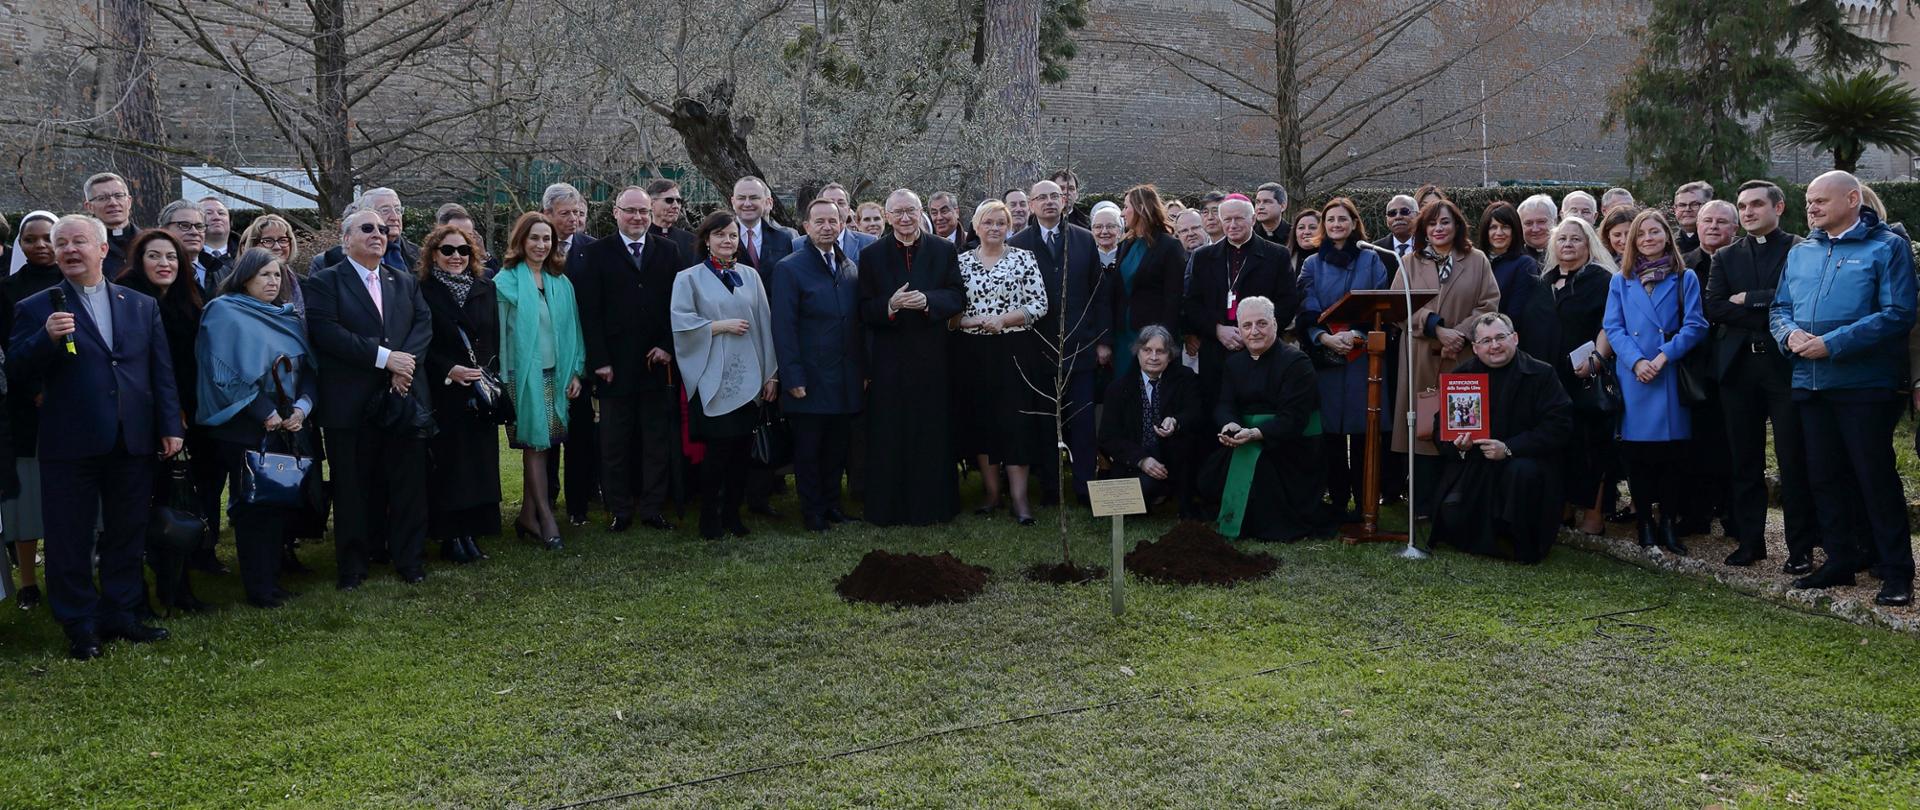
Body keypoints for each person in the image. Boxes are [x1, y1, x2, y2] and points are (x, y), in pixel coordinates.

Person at [9, 214, 183, 661]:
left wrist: (170, 426)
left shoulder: (139, 303)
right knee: (69, 537)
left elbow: (160, 370)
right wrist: (46, 338)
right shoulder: (36, 306)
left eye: (79, 241)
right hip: (69, 441)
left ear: (103, 250)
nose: (69, 249)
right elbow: (18, 368)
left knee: (127, 531)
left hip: (132, 437)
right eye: (61, 243)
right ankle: (80, 624)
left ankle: (122, 613)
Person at [1770, 170, 1915, 606]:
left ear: (1853, 199)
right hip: (1809, 383)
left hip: (1863, 385)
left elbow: (1898, 313)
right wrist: (1788, 335)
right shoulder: (1801, 251)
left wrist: (1832, 344)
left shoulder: (1886, 247)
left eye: (1820, 200)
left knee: (1874, 478)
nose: (1811, 208)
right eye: (1808, 201)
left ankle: (1896, 572)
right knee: (1824, 476)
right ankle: (1839, 560)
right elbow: (1779, 308)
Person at [304, 208, 434, 589]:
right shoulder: (326, 281)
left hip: (401, 397)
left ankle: (409, 560)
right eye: (367, 228)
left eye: (382, 228)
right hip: (350, 404)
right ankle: (353, 566)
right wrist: (384, 358)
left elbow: (423, 324)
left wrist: (404, 365)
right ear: (346, 240)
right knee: (352, 488)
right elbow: (326, 333)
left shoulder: (404, 281)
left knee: (408, 484)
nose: (378, 233)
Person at [197, 248, 314, 608]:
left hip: (286, 424)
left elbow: (308, 369)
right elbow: (222, 372)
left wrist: (302, 407)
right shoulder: (223, 312)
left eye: (277, 275)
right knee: (252, 509)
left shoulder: (286, 316)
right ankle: (259, 588)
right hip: (244, 426)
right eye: (264, 274)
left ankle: (272, 581)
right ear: (245, 277)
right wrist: (264, 412)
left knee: (276, 504)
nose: (272, 281)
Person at [1706, 180, 1812, 572]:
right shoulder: (1725, 256)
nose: (1748, 212)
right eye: (1742, 206)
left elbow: (1800, 302)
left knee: (1793, 461)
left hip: (1784, 368)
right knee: (1744, 461)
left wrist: (1750, 299)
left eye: (1756, 205)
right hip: (1738, 370)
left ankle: (1800, 549)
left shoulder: (1800, 249)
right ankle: (1751, 543)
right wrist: (1768, 310)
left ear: (1778, 207)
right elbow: (1714, 306)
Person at [116, 227, 223, 606]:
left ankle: (178, 582)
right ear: (138, 261)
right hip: (146, 417)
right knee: (149, 503)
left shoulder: (188, 300)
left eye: (171, 256)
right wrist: (168, 412)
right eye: (154, 256)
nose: (165, 263)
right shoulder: (125, 299)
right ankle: (145, 588)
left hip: (192, 414)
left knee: (183, 501)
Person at [574, 186, 682, 534]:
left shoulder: (668, 251)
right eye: (630, 210)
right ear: (616, 213)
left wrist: (667, 345)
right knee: (614, 443)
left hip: (655, 363)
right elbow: (589, 311)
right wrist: (599, 360)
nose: (637, 217)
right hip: (613, 367)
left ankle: (652, 508)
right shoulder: (596, 253)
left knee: (656, 442)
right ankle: (619, 509)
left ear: (650, 214)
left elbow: (677, 305)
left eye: (643, 211)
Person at [857, 189, 967, 526]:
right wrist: (890, 305)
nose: (905, 218)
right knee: (889, 434)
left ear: (921, 213)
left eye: (911, 211)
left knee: (932, 432)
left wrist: (929, 301)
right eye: (898, 212)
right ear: (887, 217)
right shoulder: (871, 255)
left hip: (932, 357)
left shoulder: (943, 249)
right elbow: (864, 308)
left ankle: (933, 506)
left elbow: (957, 296)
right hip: (889, 360)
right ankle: (890, 508)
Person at [1604, 208, 1708, 557]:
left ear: (1667, 236)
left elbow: (1695, 324)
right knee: (1638, 456)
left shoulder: (1684, 277)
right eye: (1641, 233)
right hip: (1634, 375)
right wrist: (1636, 361)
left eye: (1655, 232)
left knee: (1671, 457)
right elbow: (1613, 327)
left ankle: (1668, 524)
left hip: (1668, 373)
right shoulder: (1620, 280)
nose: (1648, 238)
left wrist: (1663, 356)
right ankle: (1645, 524)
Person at [1427, 313, 1572, 563]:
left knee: (1521, 472)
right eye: (1485, 341)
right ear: (1475, 348)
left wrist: (1508, 448)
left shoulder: (1542, 374)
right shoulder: (1462, 376)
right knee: (1452, 518)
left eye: (1500, 337)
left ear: (1515, 338)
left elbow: (1559, 426)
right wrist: (1459, 446)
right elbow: (1440, 430)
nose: (1494, 346)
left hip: (1526, 463)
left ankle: (1518, 542)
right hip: (1476, 464)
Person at [1390, 198, 1500, 514]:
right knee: (1423, 426)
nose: (1438, 228)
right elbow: (1397, 307)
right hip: (1421, 357)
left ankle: (1457, 501)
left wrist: (1459, 334)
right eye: (1432, 223)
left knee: (1460, 424)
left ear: (1457, 226)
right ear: (1423, 229)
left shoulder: (1477, 260)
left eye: (1445, 222)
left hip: (1462, 356)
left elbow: (1489, 304)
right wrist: (1436, 328)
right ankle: (1422, 503)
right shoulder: (1409, 262)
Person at [674, 212, 779, 538]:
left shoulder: (750, 276)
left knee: (741, 452)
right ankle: (709, 517)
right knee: (718, 452)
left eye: (732, 235)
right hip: (713, 378)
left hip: (750, 377)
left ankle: (733, 515)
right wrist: (719, 326)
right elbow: (681, 324)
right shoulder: (688, 278)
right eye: (720, 235)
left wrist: (771, 374)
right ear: (707, 240)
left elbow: (765, 325)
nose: (727, 240)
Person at [1010, 179, 1111, 505]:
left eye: (1055, 196)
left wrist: (1102, 341)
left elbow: (1099, 294)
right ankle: (1051, 489)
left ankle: (1084, 487)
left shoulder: (1084, 239)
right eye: (1042, 197)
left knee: (1082, 423)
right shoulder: (1018, 243)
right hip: (1036, 348)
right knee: (1044, 423)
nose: (1050, 202)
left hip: (1080, 347)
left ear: (1064, 201)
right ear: (1031, 204)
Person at [949, 200, 1049, 524]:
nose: (994, 228)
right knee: (983, 419)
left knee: (1016, 421)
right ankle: (992, 494)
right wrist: (972, 321)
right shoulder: (960, 262)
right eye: (988, 222)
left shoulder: (1024, 258)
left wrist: (1004, 319)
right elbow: (950, 311)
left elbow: (1040, 304)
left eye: (1000, 223)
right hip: (973, 351)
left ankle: (1020, 499)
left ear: (1009, 227)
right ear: (976, 227)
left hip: (1015, 348)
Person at [772, 199, 865, 532]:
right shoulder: (789, 268)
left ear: (842, 224)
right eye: (820, 221)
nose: (827, 227)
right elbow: (783, 327)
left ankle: (832, 505)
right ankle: (812, 511)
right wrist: (792, 376)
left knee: (836, 449)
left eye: (833, 221)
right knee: (809, 450)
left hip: (844, 377)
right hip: (808, 378)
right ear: (806, 227)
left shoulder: (849, 267)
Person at [496, 213, 586, 551]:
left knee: (546, 446)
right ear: (521, 241)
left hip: (556, 375)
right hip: (522, 377)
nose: (541, 244)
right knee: (534, 446)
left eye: (546, 238)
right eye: (534, 238)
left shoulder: (560, 283)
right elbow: (500, 338)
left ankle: (526, 516)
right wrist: (505, 381)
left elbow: (574, 330)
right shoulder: (504, 283)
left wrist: (575, 371)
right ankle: (545, 519)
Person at [1200, 296, 1325, 541]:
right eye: (1247, 326)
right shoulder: (1234, 363)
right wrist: (1230, 424)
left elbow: (1294, 419)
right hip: (1245, 440)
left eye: (1261, 323)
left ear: (1275, 325)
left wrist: (1256, 433)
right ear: (1239, 329)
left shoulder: (1297, 362)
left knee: (1261, 472)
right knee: (1207, 477)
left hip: (1288, 446)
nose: (1254, 331)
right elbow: (1224, 404)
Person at [1297, 197, 1391, 522]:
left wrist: (1356, 335)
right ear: (1324, 226)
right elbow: (1306, 305)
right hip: (1326, 357)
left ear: (1354, 224)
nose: (1336, 224)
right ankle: (1337, 500)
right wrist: (1324, 338)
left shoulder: (1372, 259)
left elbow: (1380, 302)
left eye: (1342, 219)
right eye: (1331, 220)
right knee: (1331, 434)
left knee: (1365, 430)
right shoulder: (1311, 264)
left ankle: (1366, 501)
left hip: (1363, 357)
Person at [417, 224, 502, 563]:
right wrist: (447, 369)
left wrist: (487, 374)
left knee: (479, 463)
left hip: (478, 388)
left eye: (463, 250)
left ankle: (472, 531)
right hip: (445, 390)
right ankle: (451, 535)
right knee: (450, 465)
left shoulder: (485, 287)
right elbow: (421, 340)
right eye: (448, 250)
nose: (456, 257)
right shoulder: (423, 289)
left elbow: (492, 335)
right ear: (433, 254)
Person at [1186, 197, 1296, 419]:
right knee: (1215, 414)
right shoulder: (1203, 257)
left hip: (1259, 348)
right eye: (1227, 219)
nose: (1232, 225)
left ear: (1253, 219)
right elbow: (1191, 303)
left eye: (1239, 219)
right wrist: (1217, 329)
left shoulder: (1276, 255)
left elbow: (1287, 302)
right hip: (1216, 348)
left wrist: (1254, 334)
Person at [1544, 218, 1617, 537]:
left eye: (1576, 239)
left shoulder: (1601, 279)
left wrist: (1596, 359)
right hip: (1551, 378)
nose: (1568, 244)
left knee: (1591, 446)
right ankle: (1562, 507)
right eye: (1562, 239)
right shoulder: (1545, 281)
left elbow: (1609, 324)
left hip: (1586, 376)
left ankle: (1594, 514)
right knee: (1559, 443)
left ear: (1589, 244)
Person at [1, 211, 57, 611]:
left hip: (71, 403)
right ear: (19, 244)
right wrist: (34, 389)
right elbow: (8, 350)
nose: (40, 245)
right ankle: (27, 581)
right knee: (27, 498)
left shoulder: (76, 282)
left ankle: (66, 569)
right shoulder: (6, 289)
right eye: (30, 239)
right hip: (23, 407)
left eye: (48, 237)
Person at [1675, 199, 1739, 536]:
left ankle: (1734, 517)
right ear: (1696, 226)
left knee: (1735, 444)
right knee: (1695, 444)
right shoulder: (1681, 266)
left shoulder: (1743, 262)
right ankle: (1695, 514)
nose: (1713, 227)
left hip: (1737, 366)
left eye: (1721, 222)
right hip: (1694, 368)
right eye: (1707, 221)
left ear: (1735, 229)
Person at [1099, 326, 1202, 510]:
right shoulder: (1118, 389)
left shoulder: (1186, 379)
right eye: (1147, 350)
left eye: (1160, 351)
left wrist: (1176, 421)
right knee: (1134, 496)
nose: (1153, 357)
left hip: (1176, 460)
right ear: (1137, 352)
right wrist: (1142, 460)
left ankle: (1175, 494)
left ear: (1170, 355)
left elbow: (1195, 412)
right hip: (1136, 462)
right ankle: (1157, 492)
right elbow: (1108, 438)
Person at [1111, 184, 1187, 380]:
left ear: (1140, 208)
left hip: (1153, 338)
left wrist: (1164, 340)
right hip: (1123, 335)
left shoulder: (1170, 246)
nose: (1122, 213)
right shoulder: (1125, 245)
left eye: (1126, 207)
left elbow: (1174, 297)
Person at [1477, 201, 1558, 361]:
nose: (1499, 232)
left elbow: (1516, 313)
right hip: (1473, 343)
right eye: (1493, 227)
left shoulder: (1524, 264)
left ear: (1515, 230)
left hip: (1502, 347)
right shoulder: (1476, 261)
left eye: (1505, 227)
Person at [309, 188, 421, 276]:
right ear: (365, 216)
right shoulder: (328, 261)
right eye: (385, 210)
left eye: (398, 210)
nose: (395, 217)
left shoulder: (421, 256)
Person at [732, 176, 797, 275]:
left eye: (754, 198)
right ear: (733, 202)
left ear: (767, 202)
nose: (747, 203)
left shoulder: (783, 239)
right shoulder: (719, 238)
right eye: (741, 198)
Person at [156, 200, 221, 293]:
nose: (194, 232)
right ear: (164, 230)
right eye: (184, 225)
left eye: (199, 226)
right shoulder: (153, 271)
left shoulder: (222, 271)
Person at [81, 172, 139, 277]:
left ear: (129, 202)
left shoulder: (148, 242)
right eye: (102, 198)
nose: (113, 203)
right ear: (89, 207)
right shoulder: (83, 247)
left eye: (118, 196)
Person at [817, 182, 879, 258]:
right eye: (830, 203)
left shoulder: (869, 243)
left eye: (841, 203)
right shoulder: (803, 244)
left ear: (848, 210)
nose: (836, 207)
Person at [646, 179, 699, 259]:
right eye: (669, 200)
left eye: (678, 201)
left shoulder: (691, 241)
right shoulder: (640, 239)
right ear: (651, 204)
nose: (676, 206)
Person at [544, 182, 594, 258]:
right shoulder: (534, 247)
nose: (573, 219)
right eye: (564, 213)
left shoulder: (592, 248)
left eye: (575, 212)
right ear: (548, 214)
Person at [1516, 194, 1557, 266]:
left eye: (1541, 222)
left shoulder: (1568, 256)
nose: (1535, 229)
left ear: (1555, 221)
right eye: (1528, 223)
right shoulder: (1514, 260)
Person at [1672, 180, 1712, 254]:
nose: (1687, 209)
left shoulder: (1722, 242)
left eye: (1694, 204)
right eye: (1682, 205)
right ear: (1675, 210)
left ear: (1708, 207)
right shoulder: (1667, 245)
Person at [1377, 195, 1419, 260]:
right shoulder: (1376, 250)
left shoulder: (1429, 247)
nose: (1398, 217)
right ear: (1386, 220)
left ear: (1417, 216)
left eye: (1404, 211)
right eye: (1392, 213)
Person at [198, 198, 235, 263]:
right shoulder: (184, 257)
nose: (216, 217)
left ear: (230, 222)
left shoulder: (245, 255)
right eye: (209, 213)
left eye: (221, 213)